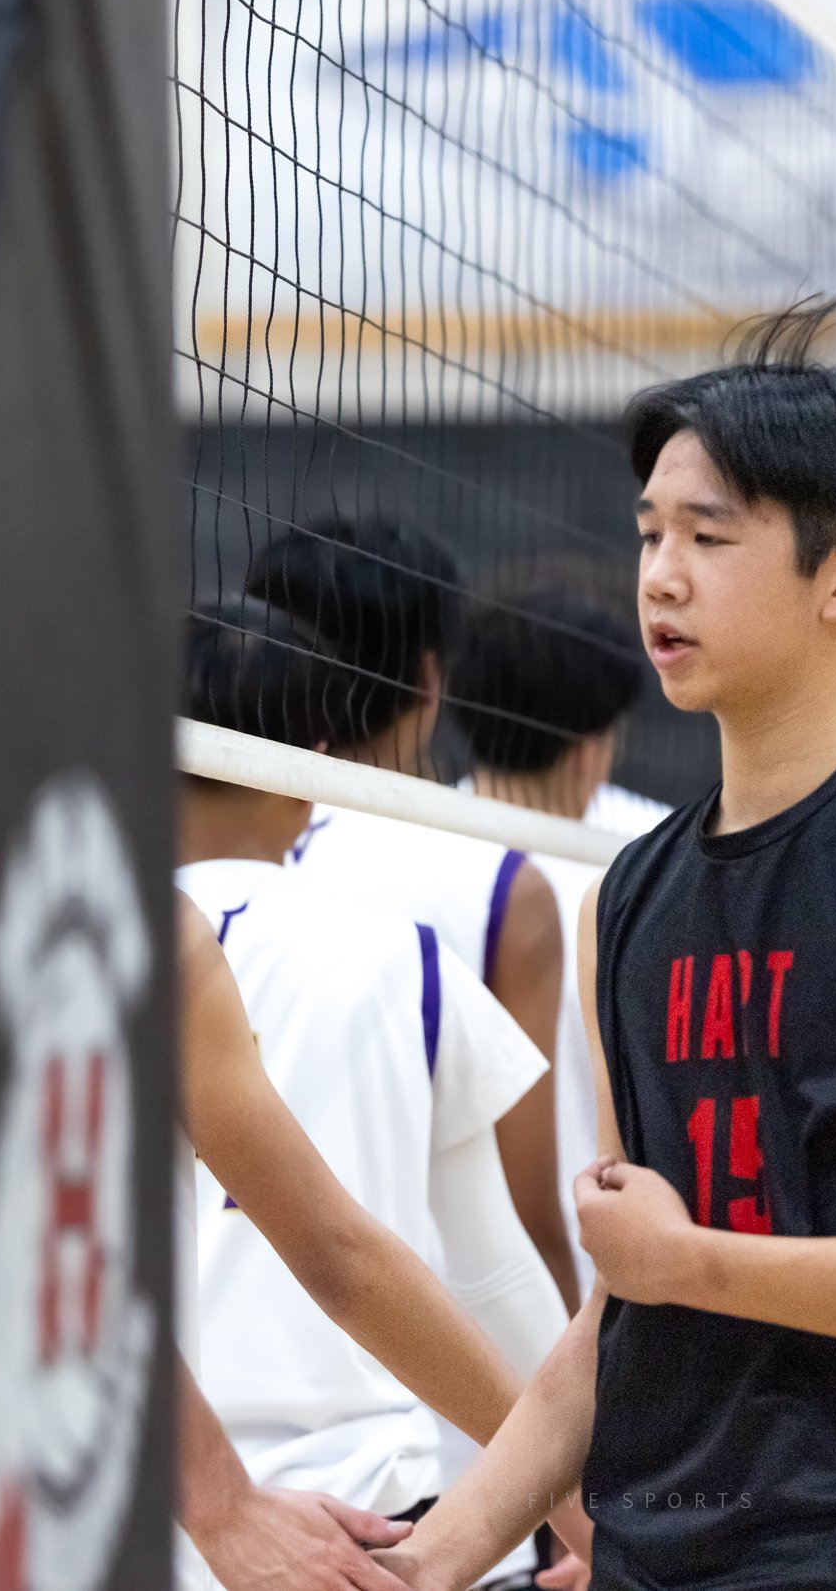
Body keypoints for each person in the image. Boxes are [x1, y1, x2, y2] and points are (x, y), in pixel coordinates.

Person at [376, 302, 836, 1591]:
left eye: (709, 536)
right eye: (650, 531)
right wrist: (432, 1556)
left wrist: (692, 1262)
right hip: (673, 1545)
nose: (659, 574)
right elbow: (626, 1300)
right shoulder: (625, 896)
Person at [181, 599, 567, 1542]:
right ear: (314, 767)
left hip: (125, 1498)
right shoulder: (402, 955)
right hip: (352, 1511)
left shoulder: (66, 943)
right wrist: (575, 1500)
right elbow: (494, 1266)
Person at [176, 901, 591, 1589]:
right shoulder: (433, 930)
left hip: (197, 1505)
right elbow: (491, 1264)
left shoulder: (154, 930)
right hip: (345, 1496)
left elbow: (339, 1254)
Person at [251, 518, 580, 1311]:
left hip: (217, 1333)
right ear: (431, 678)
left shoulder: (189, 862)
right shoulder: (501, 887)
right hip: (424, 1349)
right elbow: (527, 1213)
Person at [447, 590, 652, 1296]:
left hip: (421, 1275)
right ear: (594, 746)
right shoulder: (651, 879)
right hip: (602, 1274)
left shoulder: (383, 854)